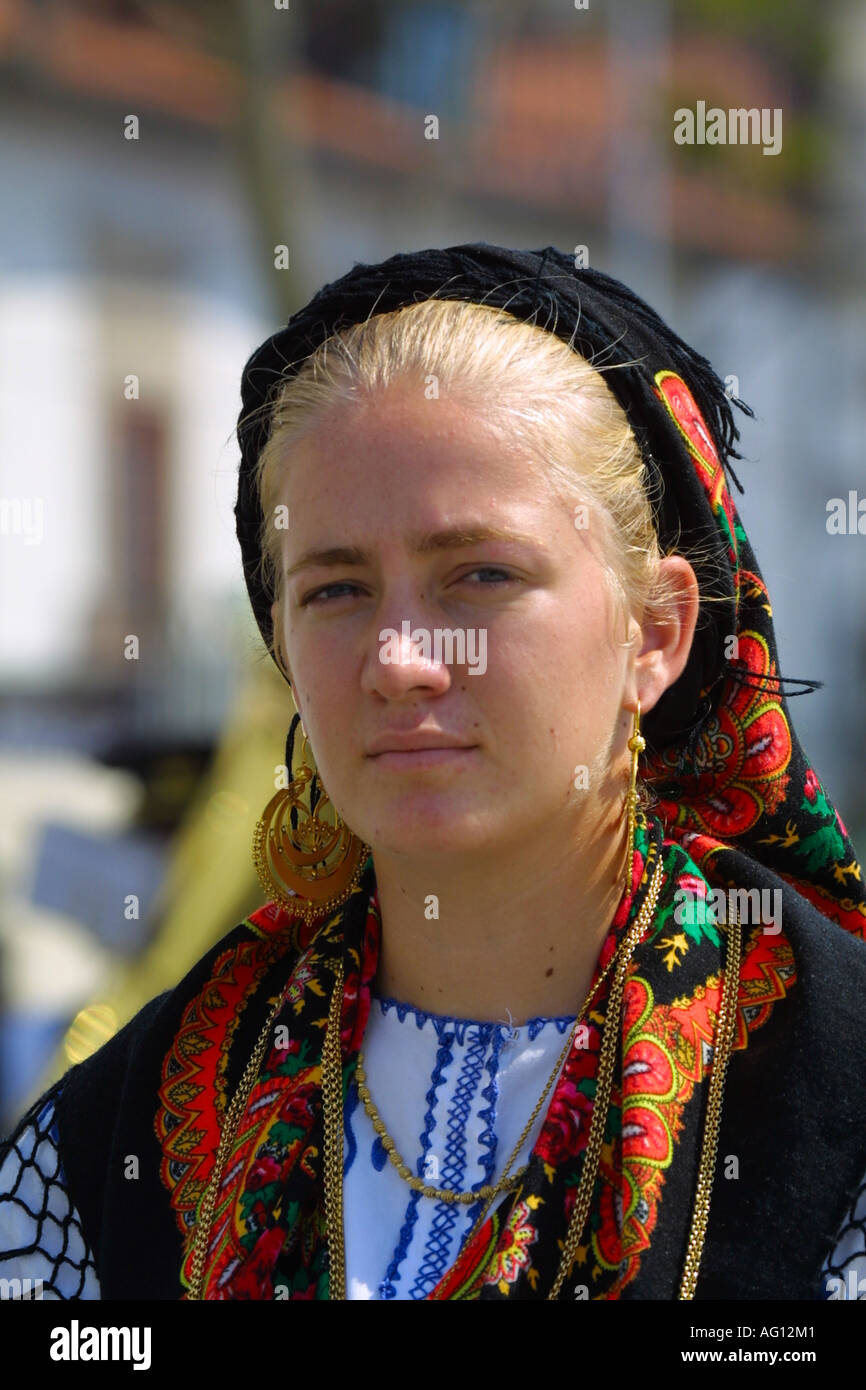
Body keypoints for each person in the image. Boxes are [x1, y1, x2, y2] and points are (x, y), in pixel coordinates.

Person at [1, 242, 865, 1301]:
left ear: (655, 632)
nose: (402, 661)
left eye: (478, 576)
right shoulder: (106, 1144)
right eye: (335, 590)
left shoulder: (831, 1098)